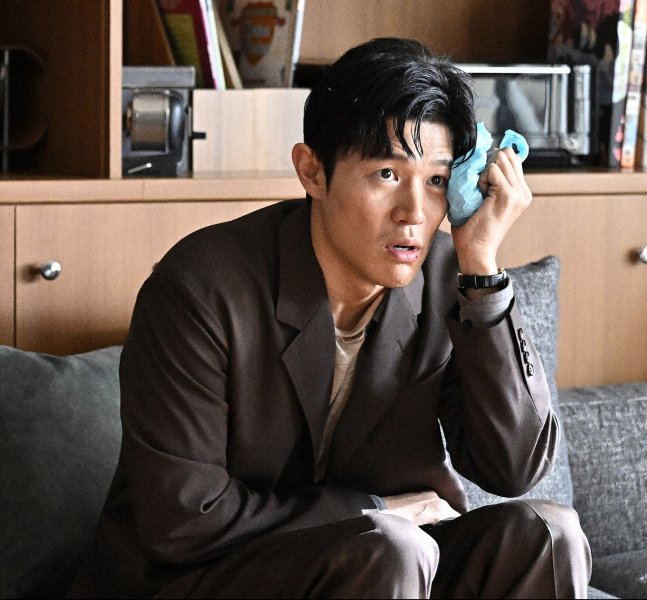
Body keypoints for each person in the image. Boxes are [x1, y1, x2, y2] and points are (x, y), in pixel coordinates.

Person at [84, 37, 591, 598]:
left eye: (436, 180)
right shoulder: (201, 288)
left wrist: (482, 270)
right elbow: (184, 518)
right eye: (387, 174)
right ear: (312, 172)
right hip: (204, 578)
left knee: (548, 536)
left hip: (387, 567)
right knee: (392, 549)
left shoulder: (450, 279)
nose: (414, 214)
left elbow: (514, 467)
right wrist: (373, 512)